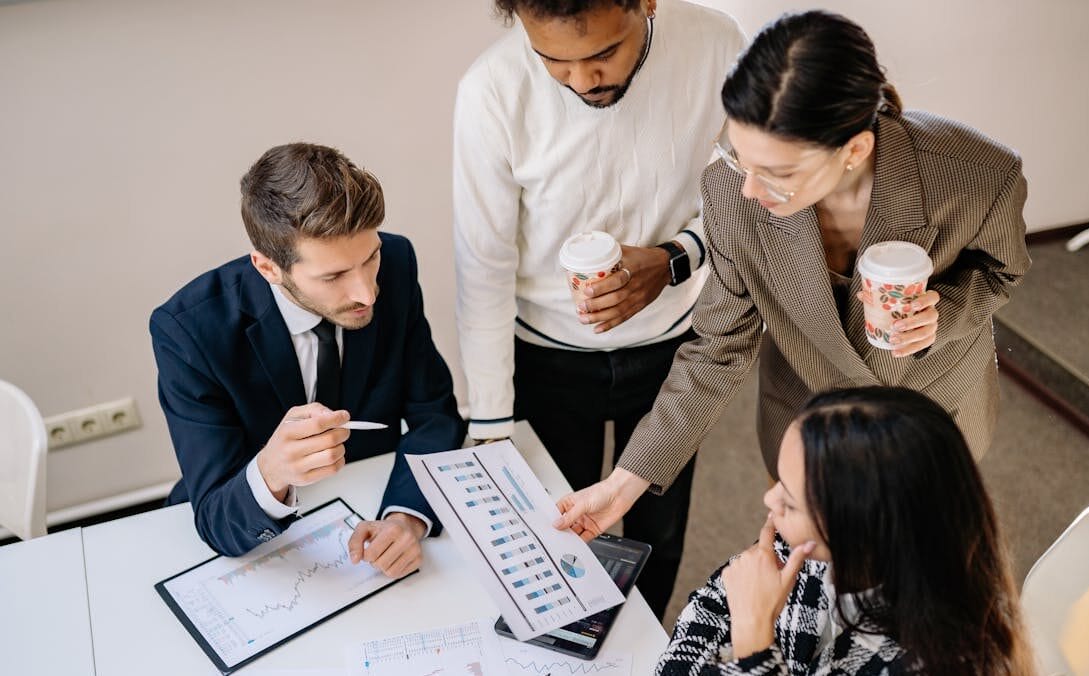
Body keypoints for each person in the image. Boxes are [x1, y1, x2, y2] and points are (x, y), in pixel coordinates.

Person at [555, 10, 1032, 540]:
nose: (750, 192)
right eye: (740, 159)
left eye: (779, 175)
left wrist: (944, 313)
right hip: (804, 423)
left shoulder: (977, 177)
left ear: (854, 150)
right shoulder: (733, 196)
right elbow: (717, 350)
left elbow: (1001, 271)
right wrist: (625, 482)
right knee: (802, 574)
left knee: (918, 568)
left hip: (931, 415)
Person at [453, 0, 743, 618]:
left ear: (647, 3)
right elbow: (483, 264)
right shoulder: (490, 90)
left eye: (604, 54)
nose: (582, 80)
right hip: (545, 358)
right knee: (554, 540)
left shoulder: (718, 43)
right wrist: (489, 424)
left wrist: (674, 259)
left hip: (675, 349)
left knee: (656, 537)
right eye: (552, 60)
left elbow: (752, 186)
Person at [150, 143, 465, 579]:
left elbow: (435, 415)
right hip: (257, 546)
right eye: (333, 276)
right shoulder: (188, 332)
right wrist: (271, 470)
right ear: (268, 268)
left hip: (370, 494)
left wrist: (406, 516)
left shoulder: (396, 261)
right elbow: (218, 521)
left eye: (369, 258)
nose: (366, 293)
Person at [656, 387, 1035, 676]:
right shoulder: (807, 549)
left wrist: (754, 640)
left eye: (790, 501)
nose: (769, 500)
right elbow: (705, 614)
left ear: (858, 528)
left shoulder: (934, 662)